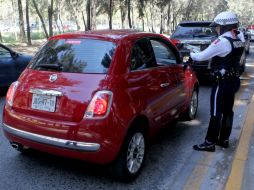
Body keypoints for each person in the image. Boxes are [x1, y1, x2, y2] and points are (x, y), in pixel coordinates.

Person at [191, 11, 245, 152]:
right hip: (233, 81)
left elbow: (201, 56)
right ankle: (224, 140)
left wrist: (191, 53)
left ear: (225, 26)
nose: (216, 29)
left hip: (222, 82)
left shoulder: (222, 42)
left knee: (216, 113)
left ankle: (209, 143)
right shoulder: (239, 37)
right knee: (228, 111)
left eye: (218, 26)